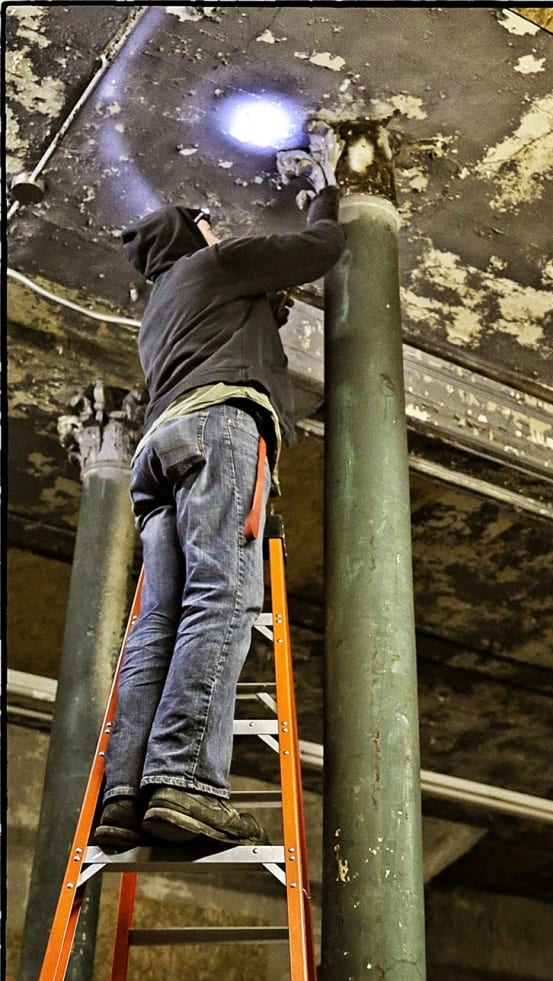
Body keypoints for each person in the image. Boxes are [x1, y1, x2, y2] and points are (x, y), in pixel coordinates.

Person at [94, 168, 345, 851]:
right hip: (218, 429)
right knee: (221, 594)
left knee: (157, 622)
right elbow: (323, 247)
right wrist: (326, 194)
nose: (218, 231)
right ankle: (184, 780)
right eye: (208, 225)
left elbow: (234, 328)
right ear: (192, 234)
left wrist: (268, 307)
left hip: (158, 452)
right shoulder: (216, 263)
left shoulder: (162, 305)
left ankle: (125, 793)